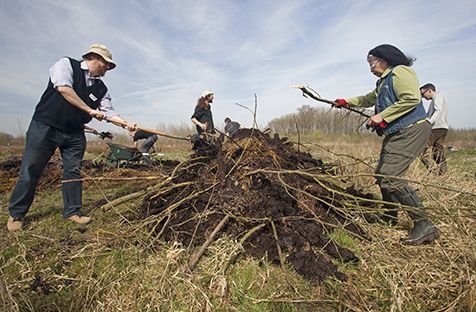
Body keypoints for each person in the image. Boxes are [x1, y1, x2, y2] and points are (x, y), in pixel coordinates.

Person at [6, 44, 137, 232]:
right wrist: (90, 110)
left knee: (73, 172)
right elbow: (64, 89)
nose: (108, 69)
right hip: (46, 127)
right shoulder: (66, 65)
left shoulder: (101, 88)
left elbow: (108, 112)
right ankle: (16, 214)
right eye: (106, 64)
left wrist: (125, 124)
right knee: (30, 170)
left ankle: (73, 212)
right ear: (95, 58)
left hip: (74, 133)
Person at [334, 44, 440, 245]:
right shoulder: (382, 83)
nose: (371, 68)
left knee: (391, 177)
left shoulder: (401, 72)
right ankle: (390, 216)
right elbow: (367, 99)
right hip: (397, 132)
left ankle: (424, 224)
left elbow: (410, 99)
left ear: (385, 59)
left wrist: (381, 116)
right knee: (382, 175)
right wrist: (345, 102)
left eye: (372, 63)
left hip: (412, 128)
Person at [419, 83, 448, 175]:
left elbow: (438, 111)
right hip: (443, 128)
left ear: (429, 90)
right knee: (438, 152)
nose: (424, 98)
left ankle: (432, 170)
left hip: (436, 128)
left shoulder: (438, 97)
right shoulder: (438, 99)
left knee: (420, 149)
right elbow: (428, 115)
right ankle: (442, 173)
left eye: (423, 95)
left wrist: (429, 122)